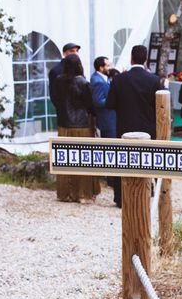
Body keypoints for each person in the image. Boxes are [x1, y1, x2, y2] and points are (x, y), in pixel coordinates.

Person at [53, 54, 100, 202]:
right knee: (83, 159)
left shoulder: (58, 81)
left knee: (65, 159)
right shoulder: (83, 83)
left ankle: (65, 192)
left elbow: (56, 100)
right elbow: (90, 105)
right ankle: (82, 193)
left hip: (64, 124)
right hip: (82, 125)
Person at [106, 45, 163, 141]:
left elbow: (110, 104)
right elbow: (158, 106)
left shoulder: (118, 79)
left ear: (131, 58)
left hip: (125, 127)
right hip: (147, 128)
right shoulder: (154, 80)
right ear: (146, 59)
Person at [90, 56, 120, 206]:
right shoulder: (97, 81)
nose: (110, 67)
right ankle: (111, 178)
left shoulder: (102, 79)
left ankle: (111, 177)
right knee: (111, 146)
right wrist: (112, 102)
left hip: (109, 118)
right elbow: (97, 101)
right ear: (101, 67)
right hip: (107, 119)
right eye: (108, 65)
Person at [49, 42, 80, 127]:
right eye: (72, 51)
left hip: (81, 114)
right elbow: (54, 95)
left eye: (77, 51)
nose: (76, 53)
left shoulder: (78, 68)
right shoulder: (56, 70)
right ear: (64, 53)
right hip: (65, 115)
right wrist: (64, 109)